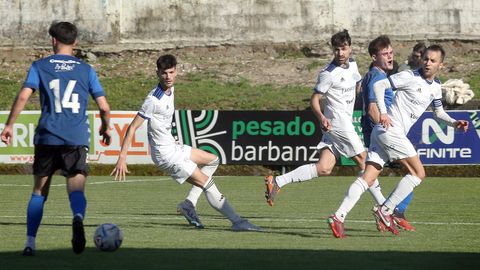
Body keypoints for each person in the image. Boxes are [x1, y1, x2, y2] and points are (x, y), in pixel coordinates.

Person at [328, 44, 469, 238]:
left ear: (441, 66)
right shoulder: (409, 76)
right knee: (418, 173)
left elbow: (438, 113)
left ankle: (338, 216)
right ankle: (386, 210)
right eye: (426, 58)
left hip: (384, 133)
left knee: (368, 178)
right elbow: (379, 85)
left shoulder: (436, 87)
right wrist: (383, 113)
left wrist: (454, 123)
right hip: (390, 130)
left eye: (433, 60)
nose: (427, 63)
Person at [110, 54, 261, 232]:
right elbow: (133, 127)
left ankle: (189, 204)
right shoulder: (153, 100)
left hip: (173, 147)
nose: (168, 77)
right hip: (166, 155)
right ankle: (237, 222)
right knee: (207, 184)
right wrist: (122, 157)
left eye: (171, 72)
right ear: (157, 73)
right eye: (164, 73)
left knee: (213, 160)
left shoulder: (171, 89)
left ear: (177, 71)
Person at [0, 21, 111, 256]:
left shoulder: (39, 66)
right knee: (77, 189)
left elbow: (23, 96)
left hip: (47, 136)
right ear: (75, 43)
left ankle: (30, 242)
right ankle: (78, 217)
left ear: (53, 41)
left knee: (39, 192)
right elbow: (104, 107)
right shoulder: (86, 70)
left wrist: (9, 125)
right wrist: (105, 127)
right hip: (76, 137)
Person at [263, 30, 386, 222]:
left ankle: (278, 181)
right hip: (336, 123)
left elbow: (357, 87)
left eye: (343, 49)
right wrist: (321, 117)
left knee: (324, 168)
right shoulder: (328, 74)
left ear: (350, 48)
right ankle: (385, 208)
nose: (340, 53)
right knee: (364, 160)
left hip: (343, 121)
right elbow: (314, 99)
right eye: (336, 50)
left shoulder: (353, 65)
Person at [360, 35, 416, 232]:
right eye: (385, 53)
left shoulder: (372, 75)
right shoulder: (378, 77)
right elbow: (373, 109)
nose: (390, 56)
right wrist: (386, 132)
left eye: (391, 52)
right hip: (382, 133)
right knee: (414, 171)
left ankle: (386, 211)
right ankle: (393, 211)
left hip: (374, 132)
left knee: (369, 175)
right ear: (374, 57)